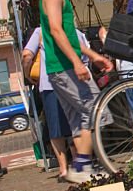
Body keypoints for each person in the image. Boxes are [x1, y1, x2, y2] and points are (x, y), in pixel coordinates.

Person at [38, 0, 114, 183]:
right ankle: (81, 166)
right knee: (94, 110)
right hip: (63, 67)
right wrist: (76, 63)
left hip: (60, 67)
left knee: (79, 118)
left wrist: (92, 55)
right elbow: (56, 30)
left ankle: (84, 168)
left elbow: (70, 37)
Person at [21, 26, 90, 181]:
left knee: (55, 128)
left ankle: (64, 169)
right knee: (75, 124)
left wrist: (28, 75)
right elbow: (85, 58)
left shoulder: (40, 31)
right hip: (72, 84)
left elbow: (26, 56)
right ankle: (79, 164)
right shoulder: (74, 31)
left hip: (49, 84)